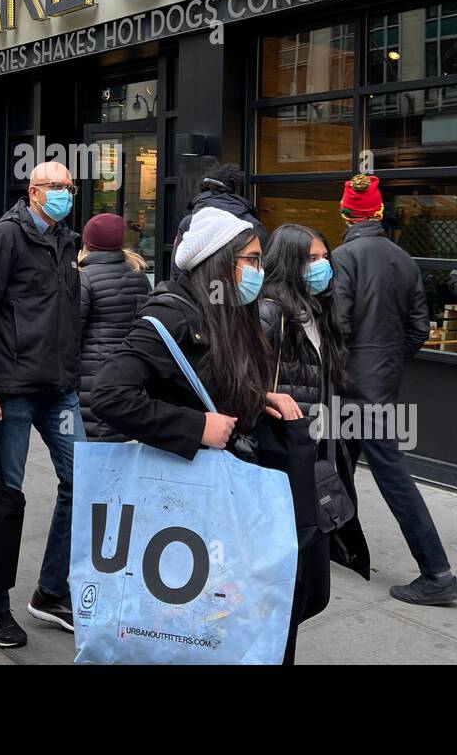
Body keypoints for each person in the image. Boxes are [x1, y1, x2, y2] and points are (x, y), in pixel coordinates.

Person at [91, 207, 319, 664]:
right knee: (195, 623)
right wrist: (196, 428)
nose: (258, 270)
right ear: (218, 261)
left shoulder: (230, 311)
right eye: (250, 260)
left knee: (248, 615)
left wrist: (258, 398)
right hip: (187, 501)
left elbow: (215, 384)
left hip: (229, 493)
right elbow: (110, 396)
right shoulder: (170, 315)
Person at [0, 160, 83, 648]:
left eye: (69, 187)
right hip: (11, 390)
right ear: (33, 191)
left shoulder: (64, 239)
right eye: (55, 186)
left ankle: (50, 592)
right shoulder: (7, 237)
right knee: (5, 497)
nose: (64, 193)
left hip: (59, 389)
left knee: (83, 480)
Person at [331, 174, 457, 606]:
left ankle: (437, 572)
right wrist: (384, 363)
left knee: (389, 475)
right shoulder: (405, 260)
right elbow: (419, 330)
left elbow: (339, 324)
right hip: (382, 383)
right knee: (338, 462)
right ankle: (338, 545)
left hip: (349, 386)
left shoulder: (343, 256)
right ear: (381, 213)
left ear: (345, 212)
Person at [261, 223, 371, 601]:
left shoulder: (318, 312)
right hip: (278, 454)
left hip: (312, 449)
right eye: (311, 260)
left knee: (311, 582)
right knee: (287, 575)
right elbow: (241, 380)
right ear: (290, 263)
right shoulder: (269, 311)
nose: (322, 267)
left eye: (325, 258)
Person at [77, 212, 151, 440]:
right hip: (133, 371)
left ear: (88, 242)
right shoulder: (139, 276)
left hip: (93, 375)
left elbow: (71, 334)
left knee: (95, 442)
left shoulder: (83, 278)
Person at [172, 163, 267, 249]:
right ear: (234, 192)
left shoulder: (188, 222)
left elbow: (177, 264)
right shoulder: (250, 223)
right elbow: (261, 260)